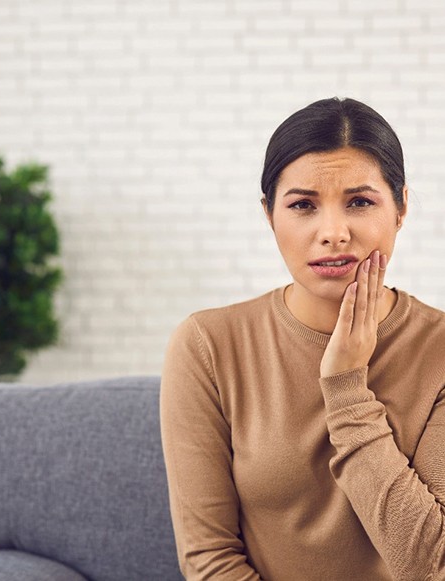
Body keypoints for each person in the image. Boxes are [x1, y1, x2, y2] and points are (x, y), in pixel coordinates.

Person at [160, 97, 445, 580]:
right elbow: (210, 561)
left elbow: (430, 565)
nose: (333, 233)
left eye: (360, 201)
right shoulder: (207, 346)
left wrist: (347, 389)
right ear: (270, 216)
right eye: (302, 206)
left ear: (400, 208)